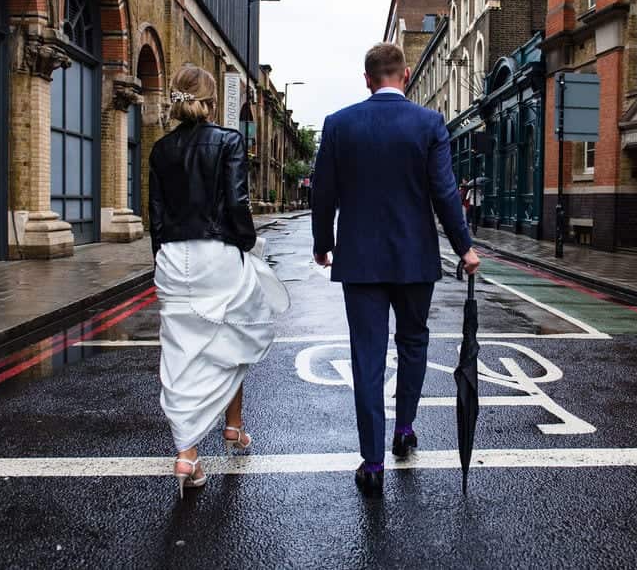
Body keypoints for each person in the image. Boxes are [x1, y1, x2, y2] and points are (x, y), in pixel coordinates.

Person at [310, 43, 481, 498]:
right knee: (412, 343)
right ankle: (404, 428)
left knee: (367, 355)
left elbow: (322, 193)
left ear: (367, 79)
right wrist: (464, 247)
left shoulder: (339, 124)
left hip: (360, 259)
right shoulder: (428, 123)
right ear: (405, 75)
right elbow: (445, 193)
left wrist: (323, 244)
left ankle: (372, 461)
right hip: (414, 257)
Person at [149, 65, 289, 499]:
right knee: (234, 339)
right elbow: (237, 203)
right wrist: (245, 244)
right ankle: (232, 427)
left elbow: (154, 214)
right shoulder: (228, 142)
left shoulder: (160, 150)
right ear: (210, 101)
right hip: (218, 255)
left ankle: (187, 454)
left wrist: (164, 257)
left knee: (181, 353)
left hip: (172, 256)